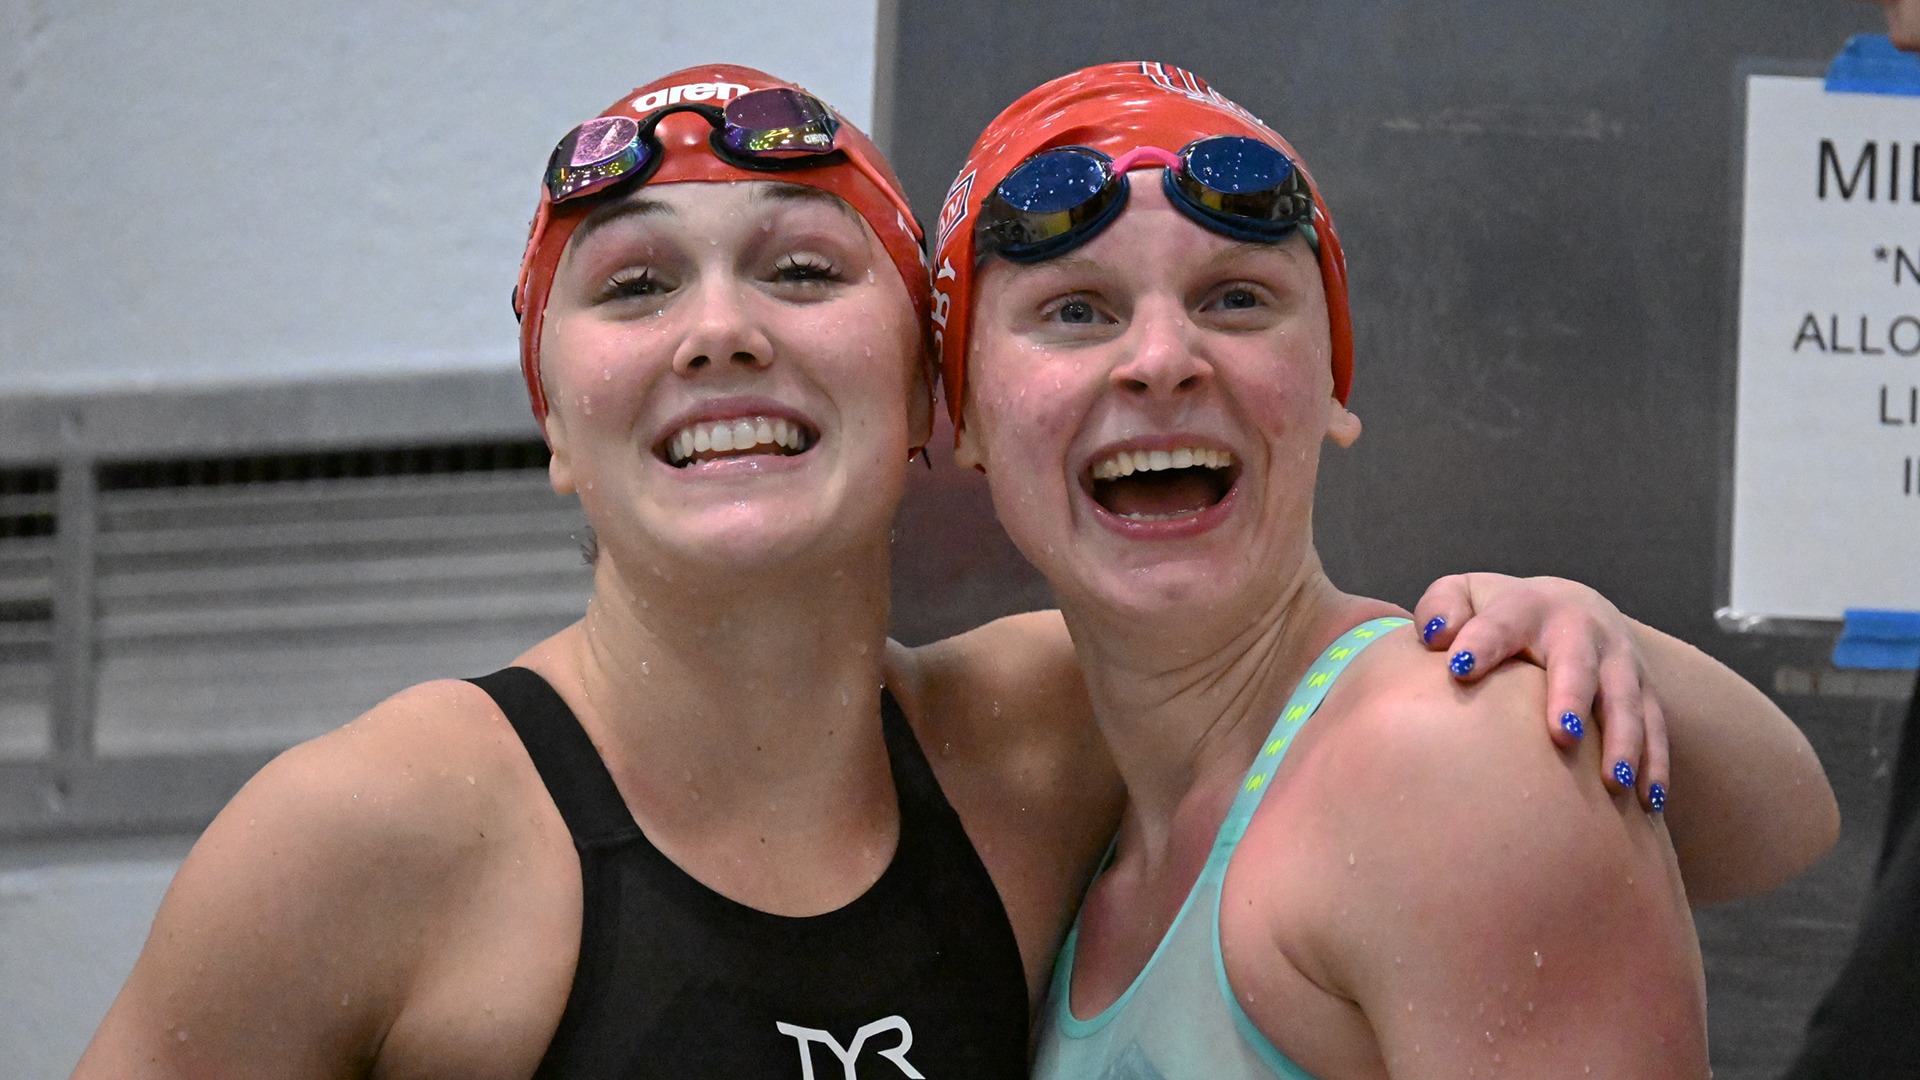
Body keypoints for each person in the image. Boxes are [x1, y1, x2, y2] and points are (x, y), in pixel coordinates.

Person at [73, 63, 1826, 1080]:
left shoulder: (1046, 738)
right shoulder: (364, 836)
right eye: (630, 289)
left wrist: (1570, 648)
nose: (721, 333)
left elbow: (1772, 825)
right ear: (550, 419)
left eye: (801, 270)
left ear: (928, 402)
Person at [935, 61, 1841, 1077]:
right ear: (964, 419)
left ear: (1332, 386)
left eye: (1235, 299)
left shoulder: (1446, 757)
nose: (1161, 357)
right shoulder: (1068, 798)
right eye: (1076, 311)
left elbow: (1792, 819)